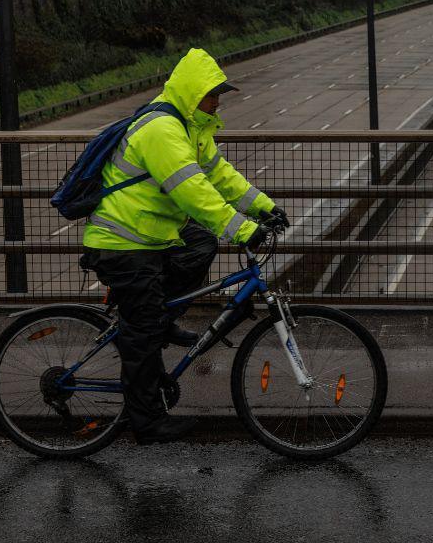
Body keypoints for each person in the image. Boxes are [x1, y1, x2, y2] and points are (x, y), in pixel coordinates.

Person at [79, 48, 290, 445]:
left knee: (200, 242)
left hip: (149, 236)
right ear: (194, 92)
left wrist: (264, 207)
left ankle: (160, 316)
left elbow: (220, 176)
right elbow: (192, 191)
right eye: (213, 94)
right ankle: (146, 421)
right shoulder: (162, 130)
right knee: (141, 335)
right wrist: (244, 230)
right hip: (122, 241)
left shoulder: (191, 127)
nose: (217, 101)